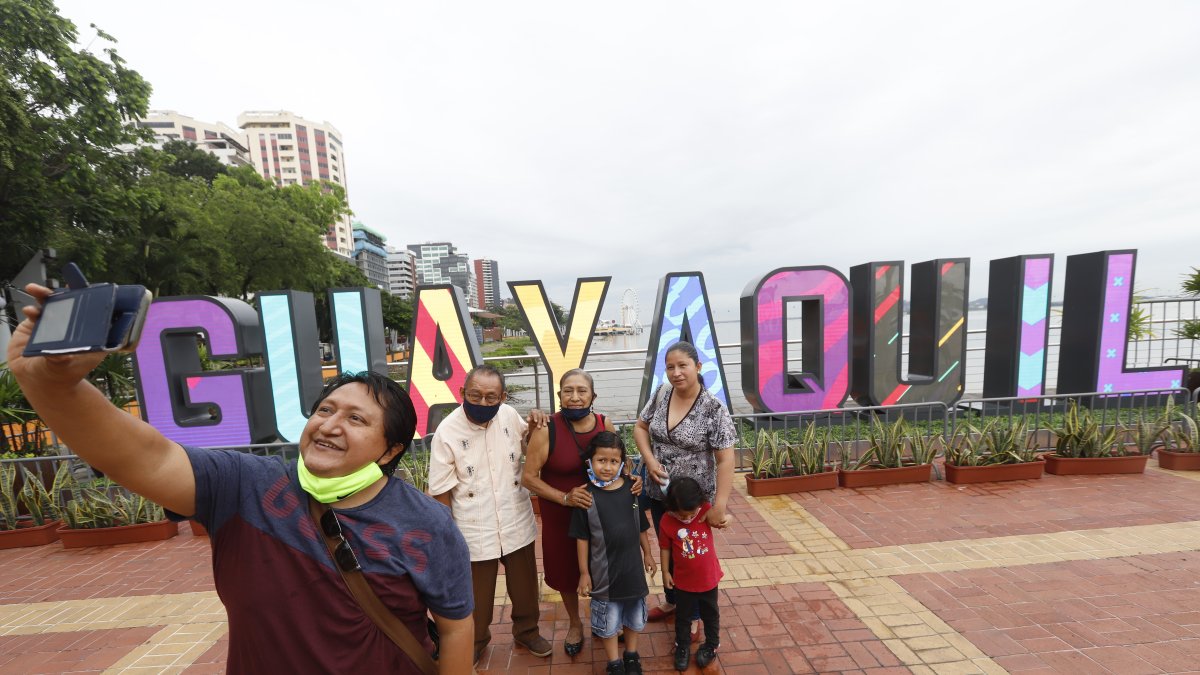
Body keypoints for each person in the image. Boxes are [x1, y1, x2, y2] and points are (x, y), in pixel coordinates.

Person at [5, 284, 475, 674]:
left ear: (392, 449)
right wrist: (50, 384)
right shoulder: (244, 485)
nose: (330, 425)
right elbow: (143, 457)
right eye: (325, 409)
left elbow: (454, 627)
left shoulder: (427, 524)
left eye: (356, 419)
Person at [427, 365, 553, 663]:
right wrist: (449, 535)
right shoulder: (447, 432)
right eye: (476, 395)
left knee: (524, 587)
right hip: (473, 526)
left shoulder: (508, 415)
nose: (483, 403)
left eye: (491, 397)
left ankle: (527, 631)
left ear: (502, 397)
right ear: (462, 393)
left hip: (515, 517)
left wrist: (535, 427)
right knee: (477, 597)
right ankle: (475, 640)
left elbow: (526, 447)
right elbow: (441, 491)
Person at [521, 368, 630, 656]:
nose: (575, 396)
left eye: (582, 390)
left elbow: (618, 463)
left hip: (600, 515)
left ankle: (603, 618)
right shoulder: (547, 429)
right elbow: (529, 478)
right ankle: (574, 623)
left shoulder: (606, 425)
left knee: (603, 567)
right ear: (559, 396)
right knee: (566, 572)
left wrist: (632, 480)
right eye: (568, 390)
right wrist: (565, 497)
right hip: (561, 515)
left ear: (593, 395)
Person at [633, 340, 736, 629]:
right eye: (670, 367)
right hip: (659, 490)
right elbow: (640, 427)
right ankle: (673, 599)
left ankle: (691, 617)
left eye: (683, 366)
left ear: (698, 367)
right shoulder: (663, 393)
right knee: (667, 543)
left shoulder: (713, 408)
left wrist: (720, 506)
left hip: (691, 498)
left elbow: (726, 461)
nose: (676, 373)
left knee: (690, 552)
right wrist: (650, 460)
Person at [569, 432, 656, 675]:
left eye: (613, 461)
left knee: (634, 616)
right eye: (601, 460)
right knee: (607, 622)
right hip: (604, 575)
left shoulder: (632, 489)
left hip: (633, 572)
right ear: (590, 462)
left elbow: (641, 526)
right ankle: (614, 662)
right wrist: (584, 573)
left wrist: (648, 554)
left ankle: (631, 655)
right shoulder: (585, 496)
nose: (607, 467)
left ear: (622, 463)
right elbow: (582, 538)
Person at [659, 477, 723, 671]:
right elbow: (664, 548)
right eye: (682, 515)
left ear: (699, 503)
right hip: (683, 582)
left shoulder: (705, 511)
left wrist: (726, 519)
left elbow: (724, 518)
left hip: (708, 579)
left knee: (711, 615)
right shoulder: (667, 520)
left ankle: (711, 646)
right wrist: (664, 572)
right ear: (671, 507)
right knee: (683, 616)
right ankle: (682, 646)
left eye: (691, 514)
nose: (687, 519)